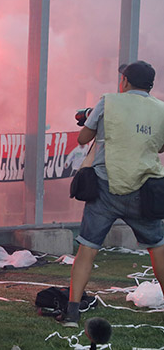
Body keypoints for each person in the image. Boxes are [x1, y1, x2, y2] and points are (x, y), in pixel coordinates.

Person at [63, 60, 164, 327]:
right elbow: (161, 146)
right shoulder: (161, 109)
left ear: (125, 82)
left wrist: (93, 121)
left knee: (87, 249)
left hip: (106, 189)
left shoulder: (107, 102)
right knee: (158, 249)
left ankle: (72, 313)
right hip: (145, 190)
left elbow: (83, 139)